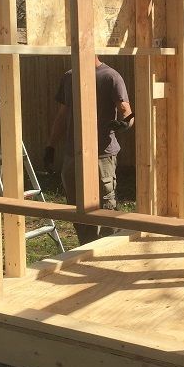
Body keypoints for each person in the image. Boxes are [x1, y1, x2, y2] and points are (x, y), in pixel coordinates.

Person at [44, 57, 134, 244]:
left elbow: (126, 110)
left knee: (106, 206)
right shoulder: (69, 77)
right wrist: (50, 146)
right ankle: (86, 248)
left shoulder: (110, 76)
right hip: (73, 154)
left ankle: (109, 248)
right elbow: (62, 115)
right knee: (77, 208)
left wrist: (125, 124)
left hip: (102, 155)